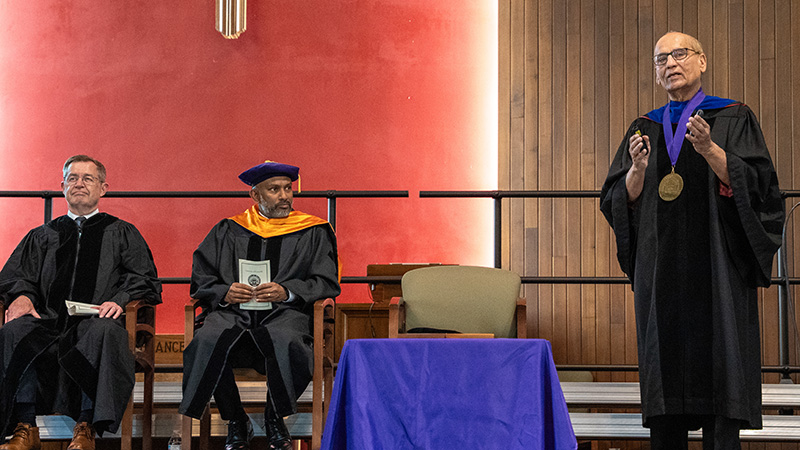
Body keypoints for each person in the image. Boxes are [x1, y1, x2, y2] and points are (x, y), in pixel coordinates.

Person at [600, 31, 785, 449]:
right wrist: (637, 170)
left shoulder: (734, 117)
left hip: (718, 272)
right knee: (666, 400)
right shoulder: (644, 127)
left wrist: (710, 151)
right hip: (661, 275)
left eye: (680, 53)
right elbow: (616, 199)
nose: (670, 63)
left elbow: (761, 190)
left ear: (701, 61)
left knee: (721, 387)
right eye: (661, 57)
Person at [0, 155, 162, 450]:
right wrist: (22, 296)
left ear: (103, 188)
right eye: (72, 178)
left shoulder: (122, 233)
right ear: (62, 187)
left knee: (103, 333)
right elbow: (15, 276)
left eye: (88, 178)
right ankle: (25, 427)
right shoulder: (42, 235)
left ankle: (85, 426)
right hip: (48, 320)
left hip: (95, 321)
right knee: (12, 332)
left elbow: (144, 279)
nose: (79, 183)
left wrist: (119, 299)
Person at [179, 161, 340, 450]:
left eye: (288, 188)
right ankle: (235, 420)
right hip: (234, 313)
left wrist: (287, 291)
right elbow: (202, 276)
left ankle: (275, 416)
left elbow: (326, 281)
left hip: (285, 313)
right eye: (274, 189)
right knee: (205, 340)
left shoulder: (312, 230)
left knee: (288, 339)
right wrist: (225, 292)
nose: (284, 196)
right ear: (255, 195)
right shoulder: (229, 230)